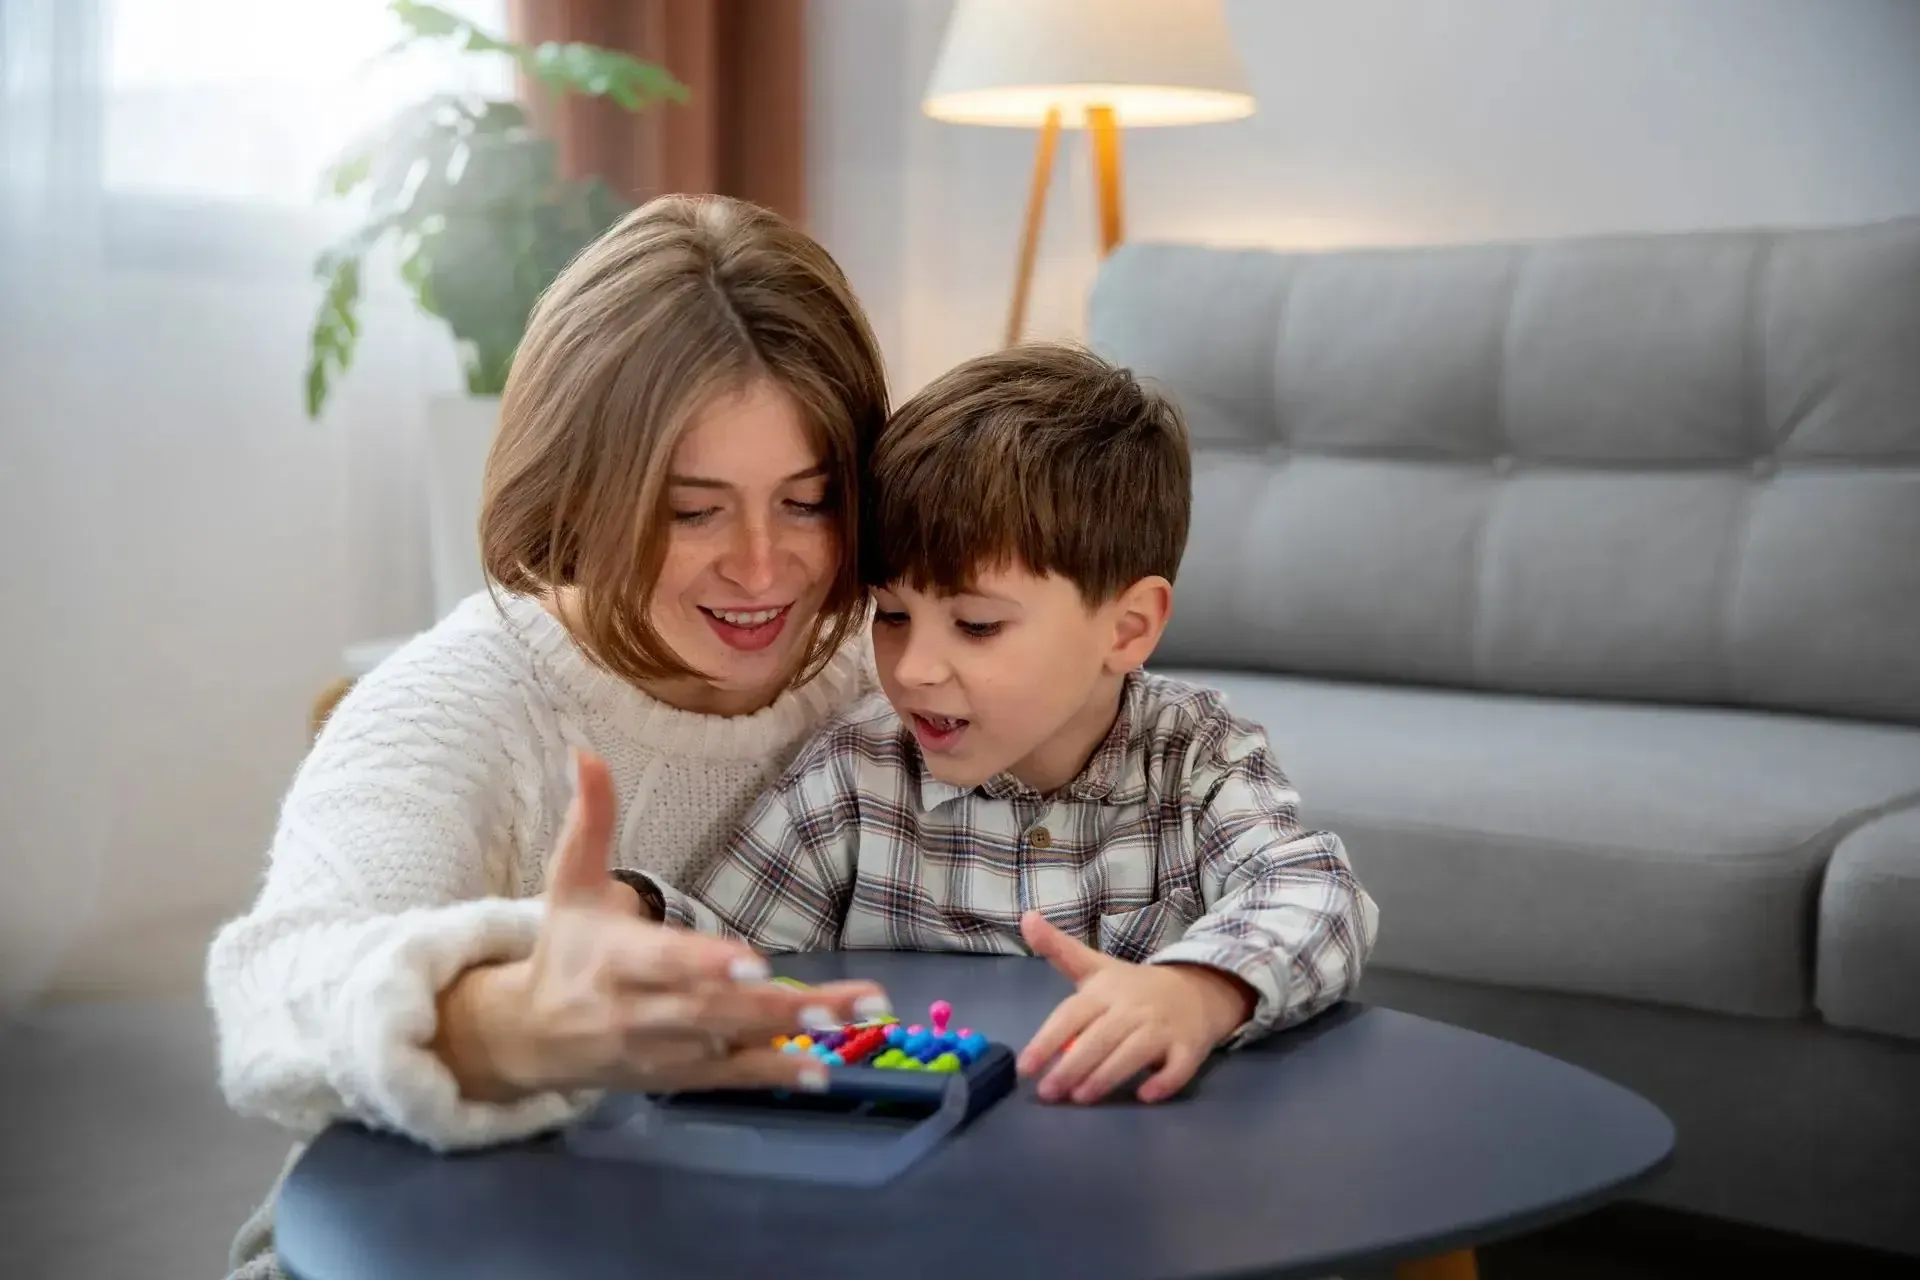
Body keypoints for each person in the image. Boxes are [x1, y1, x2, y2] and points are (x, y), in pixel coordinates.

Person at [206, 195, 894, 1279]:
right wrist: (506, 1022)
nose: (763, 569)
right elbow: (273, 989)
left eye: (807, 502)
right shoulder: (463, 696)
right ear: (581, 490)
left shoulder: (881, 668)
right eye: (693, 511)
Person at [643, 342, 1381, 1106]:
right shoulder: (856, 770)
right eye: (891, 614)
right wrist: (635, 915)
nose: (913, 669)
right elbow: (728, 951)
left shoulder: (1197, 756)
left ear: (1127, 628)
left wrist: (1199, 990)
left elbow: (1317, 895)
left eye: (977, 625)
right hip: (908, 1153)